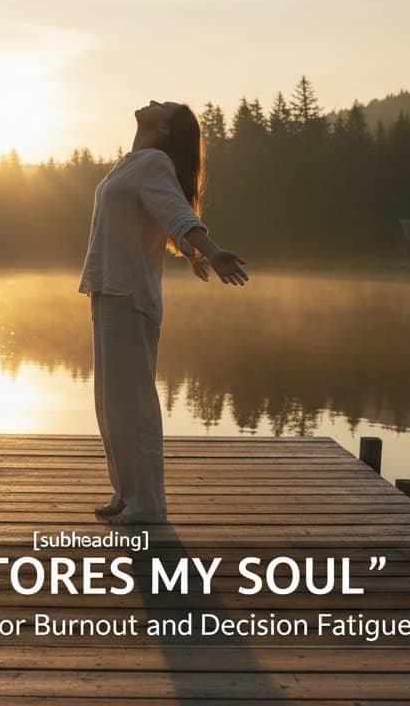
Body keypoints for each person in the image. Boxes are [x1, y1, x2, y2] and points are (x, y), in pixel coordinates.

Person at [79, 100, 249, 525]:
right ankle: (125, 491)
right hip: (107, 289)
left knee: (133, 403)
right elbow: (156, 215)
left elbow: (176, 213)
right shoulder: (131, 162)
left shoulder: (152, 163)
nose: (153, 102)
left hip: (129, 295)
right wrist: (192, 254)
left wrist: (210, 249)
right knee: (110, 401)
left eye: (163, 105)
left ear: (164, 129)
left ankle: (148, 504)